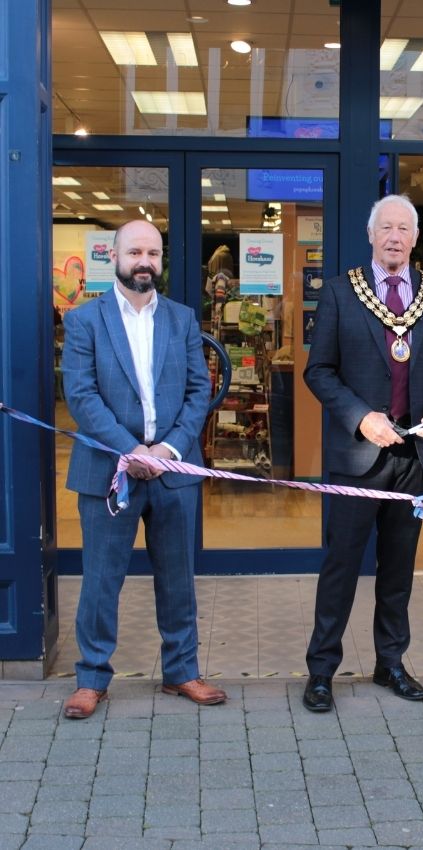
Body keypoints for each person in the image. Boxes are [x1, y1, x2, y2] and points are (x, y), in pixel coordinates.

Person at [302, 194, 423, 713]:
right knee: (341, 569)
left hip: (414, 458)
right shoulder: (340, 293)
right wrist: (361, 417)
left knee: (399, 570)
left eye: (404, 228)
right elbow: (318, 370)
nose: (395, 236)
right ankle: (321, 671)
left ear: (415, 238)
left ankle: (390, 663)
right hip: (357, 457)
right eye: (386, 227)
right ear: (371, 235)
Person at [61, 220, 227, 719]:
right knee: (100, 579)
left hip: (173, 471)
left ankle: (181, 672)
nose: (145, 261)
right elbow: (82, 397)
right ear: (114, 257)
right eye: (135, 251)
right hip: (108, 470)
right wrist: (132, 450)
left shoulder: (180, 318)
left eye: (153, 252)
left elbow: (200, 390)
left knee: (178, 578)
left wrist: (171, 449)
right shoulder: (85, 321)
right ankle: (91, 679)